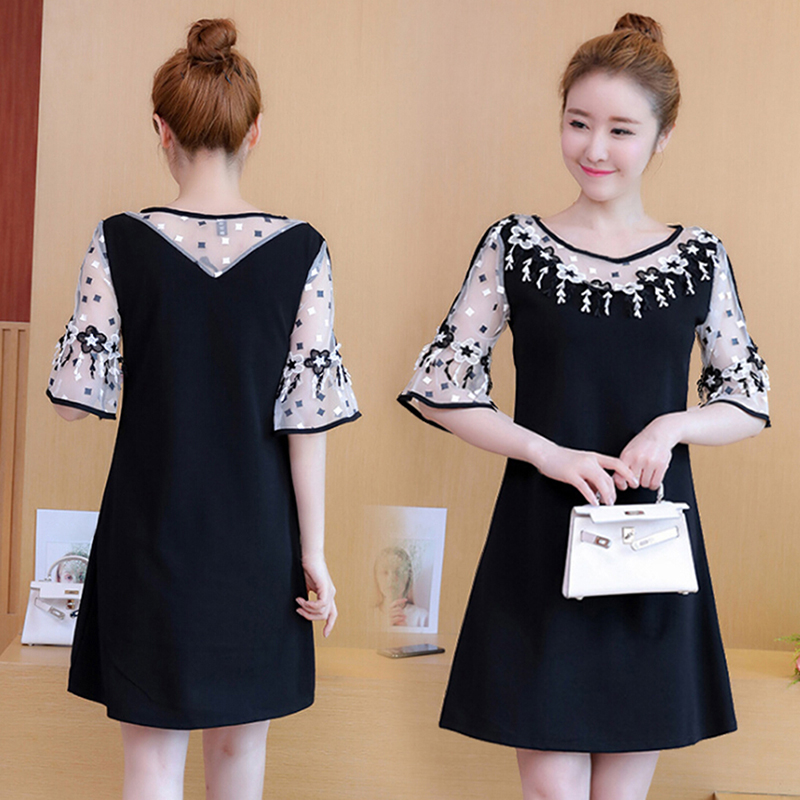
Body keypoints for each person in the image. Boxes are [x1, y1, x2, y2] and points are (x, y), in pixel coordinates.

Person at [398, 13, 769, 800]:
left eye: (621, 130)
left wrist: (673, 426)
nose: (595, 148)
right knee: (550, 790)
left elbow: (747, 396)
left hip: (651, 552)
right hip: (540, 545)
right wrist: (545, 452)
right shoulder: (516, 244)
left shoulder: (699, 256)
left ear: (663, 137)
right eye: (578, 122)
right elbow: (441, 387)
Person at [46, 18, 360, 800]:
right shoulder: (305, 250)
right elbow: (307, 423)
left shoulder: (117, 241)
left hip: (149, 532)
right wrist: (314, 554)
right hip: (258, 540)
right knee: (238, 755)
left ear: (161, 129)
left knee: (151, 762)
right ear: (255, 132)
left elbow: (75, 406)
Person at [374, 546, 429, 628]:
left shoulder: (422, 618)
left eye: (398, 572)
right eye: (385, 572)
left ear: (408, 578)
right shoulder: (366, 616)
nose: (391, 579)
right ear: (376, 577)